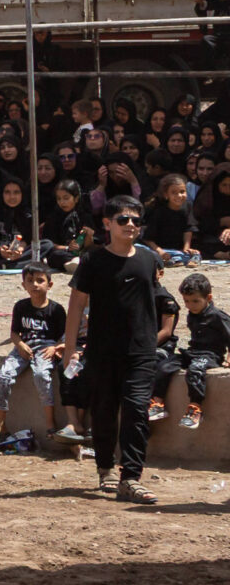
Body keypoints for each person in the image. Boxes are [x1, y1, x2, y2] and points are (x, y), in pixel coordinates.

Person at [64, 198, 167, 503]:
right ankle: (105, 467)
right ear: (107, 224)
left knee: (137, 411)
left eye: (136, 220)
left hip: (141, 352)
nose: (131, 225)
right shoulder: (93, 261)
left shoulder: (149, 260)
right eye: (123, 220)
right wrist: (71, 349)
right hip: (101, 351)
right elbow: (76, 307)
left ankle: (131, 477)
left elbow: (157, 302)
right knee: (105, 411)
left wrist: (158, 338)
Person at [0, 263, 67, 445]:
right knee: (3, 376)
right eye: (30, 281)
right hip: (24, 347)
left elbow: (65, 336)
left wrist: (56, 348)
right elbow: (14, 333)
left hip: (46, 348)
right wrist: (20, 345)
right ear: (23, 284)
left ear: (50, 285)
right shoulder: (20, 307)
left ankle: (50, 422)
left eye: (40, 281)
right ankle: (0, 425)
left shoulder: (56, 310)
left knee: (41, 375)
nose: (35, 285)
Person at [173, 272, 225, 432]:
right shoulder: (192, 315)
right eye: (186, 301)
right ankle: (157, 402)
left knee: (195, 370)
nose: (190, 305)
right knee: (165, 365)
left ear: (208, 298)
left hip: (210, 356)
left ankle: (195, 407)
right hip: (194, 352)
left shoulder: (217, 316)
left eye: (195, 301)